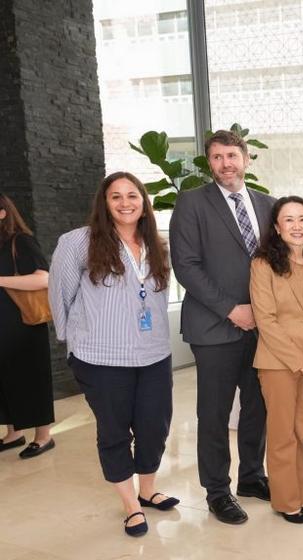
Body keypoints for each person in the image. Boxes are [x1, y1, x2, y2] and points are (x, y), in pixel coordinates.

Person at [49, 172, 178, 536]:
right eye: (116, 197)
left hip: (153, 354)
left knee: (155, 426)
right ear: (104, 203)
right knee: (115, 431)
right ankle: (131, 504)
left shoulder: (156, 244)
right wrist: (71, 338)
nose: (125, 203)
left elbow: (156, 296)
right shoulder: (78, 242)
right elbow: (60, 293)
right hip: (101, 357)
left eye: (132, 195)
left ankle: (149, 490)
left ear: (143, 202)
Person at [171, 129, 276, 525]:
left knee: (257, 406)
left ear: (246, 159)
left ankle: (252, 476)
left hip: (262, 328)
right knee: (213, 413)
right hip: (215, 327)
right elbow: (186, 266)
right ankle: (217, 491)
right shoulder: (192, 204)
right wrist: (232, 309)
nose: (225, 164)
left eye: (232, 155)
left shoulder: (268, 205)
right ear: (209, 162)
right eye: (217, 157)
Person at [249, 196, 303, 524]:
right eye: (289, 220)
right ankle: (286, 501)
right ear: (277, 227)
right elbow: (265, 319)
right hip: (278, 363)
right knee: (283, 433)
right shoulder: (262, 264)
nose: (297, 226)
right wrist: (300, 360)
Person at [0, 193, 55, 459]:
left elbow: (42, 279)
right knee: (4, 380)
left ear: (3, 213)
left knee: (31, 378)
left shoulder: (20, 241)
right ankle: (14, 433)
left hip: (22, 325)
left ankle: (43, 437)